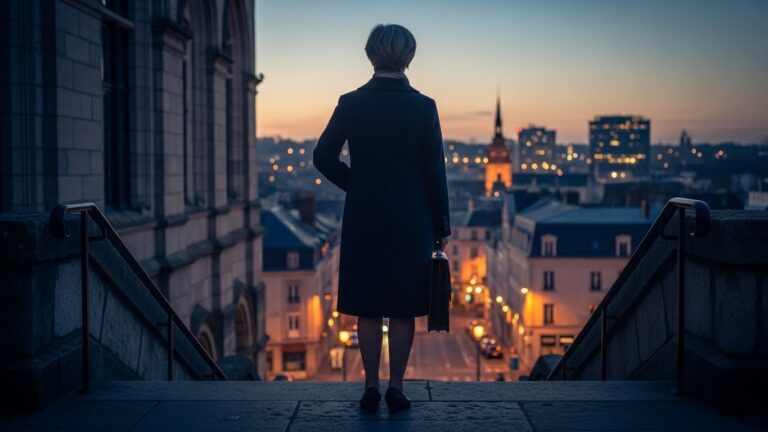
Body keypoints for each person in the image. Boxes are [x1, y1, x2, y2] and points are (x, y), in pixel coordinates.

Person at [313, 23, 451, 413]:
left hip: (364, 215)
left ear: (370, 55)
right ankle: (396, 386)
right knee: (403, 306)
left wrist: (355, 185)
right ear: (409, 57)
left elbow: (323, 157)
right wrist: (441, 225)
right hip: (412, 217)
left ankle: (370, 384)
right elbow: (434, 172)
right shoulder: (424, 107)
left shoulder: (350, 102)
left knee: (368, 305)